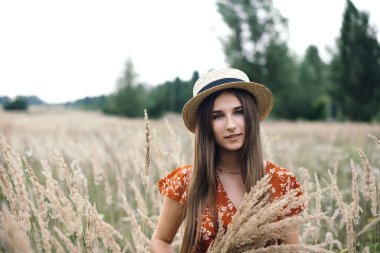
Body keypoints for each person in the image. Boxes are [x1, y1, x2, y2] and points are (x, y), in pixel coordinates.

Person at [150, 68, 305, 253]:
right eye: (218, 116)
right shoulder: (186, 181)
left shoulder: (281, 181)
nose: (231, 125)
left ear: (251, 116)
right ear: (206, 125)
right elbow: (160, 241)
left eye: (239, 112)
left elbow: (292, 249)